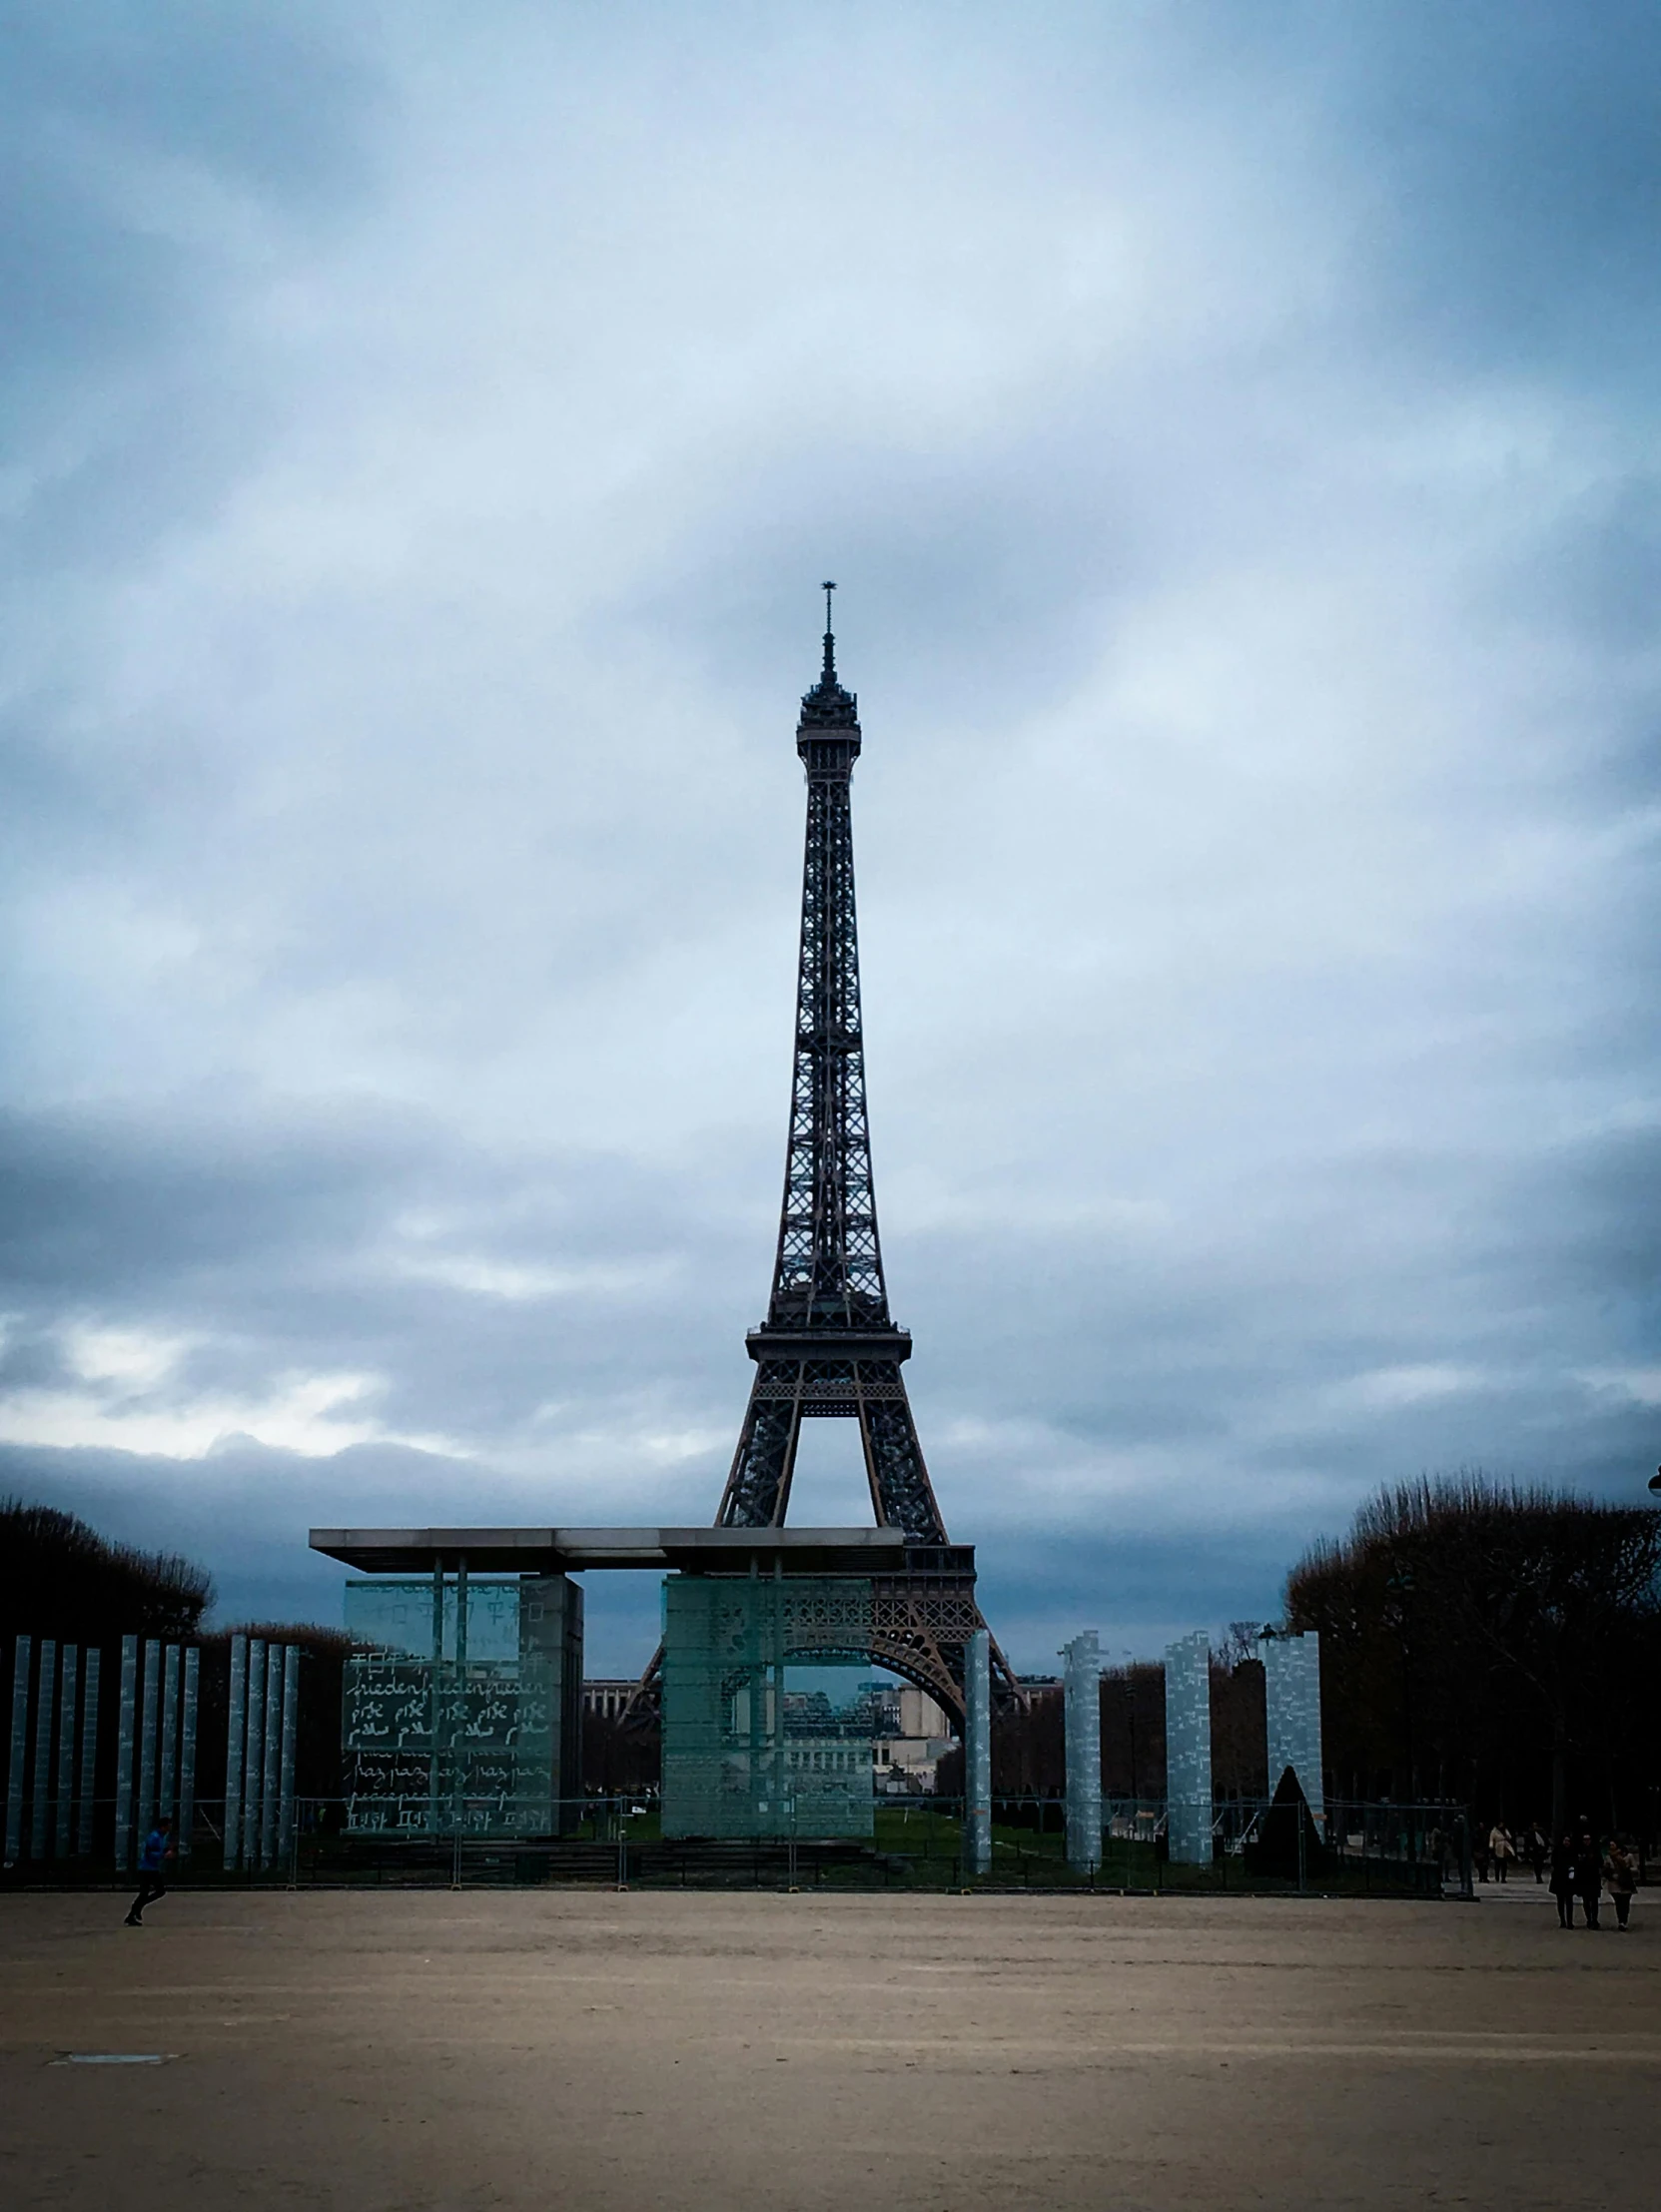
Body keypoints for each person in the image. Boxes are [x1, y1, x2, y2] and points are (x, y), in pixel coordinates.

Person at [125, 1815, 175, 1926]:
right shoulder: (155, 1837)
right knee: (159, 1891)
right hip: (148, 1868)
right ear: (163, 1827)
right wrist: (164, 1855)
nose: (170, 1828)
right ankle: (136, 1909)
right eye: (168, 1825)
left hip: (148, 1868)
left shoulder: (160, 1836)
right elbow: (149, 1853)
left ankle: (133, 1912)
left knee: (145, 1893)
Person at [1572, 1822, 1602, 1930]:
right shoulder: (1579, 1850)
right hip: (1583, 1879)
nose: (1587, 1841)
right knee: (1586, 1901)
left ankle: (1594, 1919)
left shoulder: (1595, 1850)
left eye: (1588, 1839)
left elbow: (1600, 1863)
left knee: (1594, 1902)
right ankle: (1589, 1919)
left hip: (1594, 1879)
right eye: (1585, 1839)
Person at [1605, 1838, 1637, 1931]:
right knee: (1618, 1904)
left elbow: (1635, 1868)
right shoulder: (1608, 1857)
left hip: (1626, 1883)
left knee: (1625, 1903)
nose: (1611, 1847)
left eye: (1613, 1844)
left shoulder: (1628, 1856)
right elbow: (1605, 1870)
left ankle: (1624, 1921)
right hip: (1614, 1883)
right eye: (1610, 1845)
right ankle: (1621, 1921)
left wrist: (1626, 1871)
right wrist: (1610, 1874)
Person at [1549, 1831, 1576, 1928]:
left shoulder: (1573, 1851)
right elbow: (1553, 1863)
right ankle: (1562, 1920)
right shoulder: (1557, 1850)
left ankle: (1569, 1921)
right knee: (1560, 1901)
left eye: (1568, 1841)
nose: (1566, 1842)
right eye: (1565, 1840)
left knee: (1569, 1901)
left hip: (1569, 1878)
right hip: (1559, 1878)